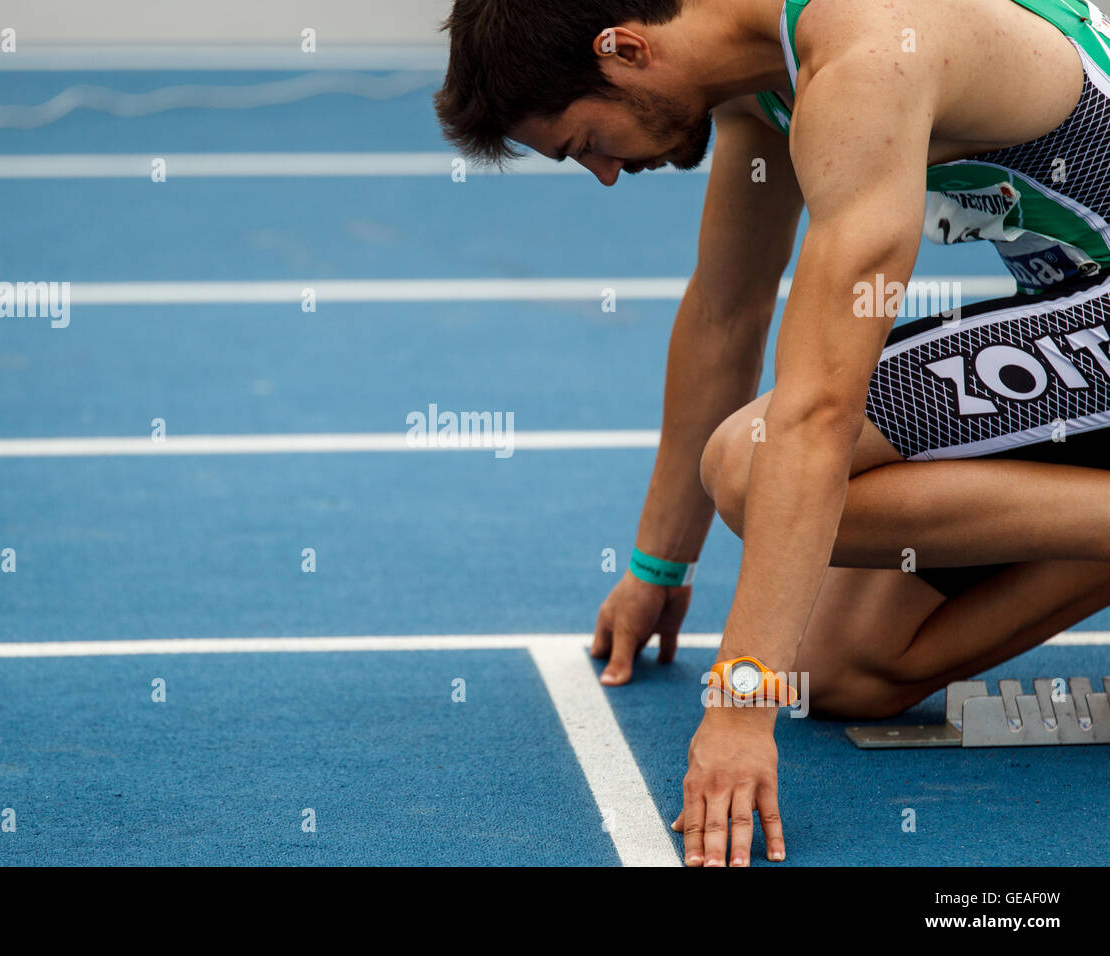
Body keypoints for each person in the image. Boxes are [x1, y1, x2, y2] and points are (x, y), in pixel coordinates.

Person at [434, 0, 1110, 866]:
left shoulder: (867, 55)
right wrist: (657, 565)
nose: (605, 174)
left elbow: (820, 412)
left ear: (625, 47)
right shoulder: (763, 79)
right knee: (848, 671)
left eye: (585, 142)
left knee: (753, 467)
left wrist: (739, 710)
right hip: (1079, 320)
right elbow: (728, 309)